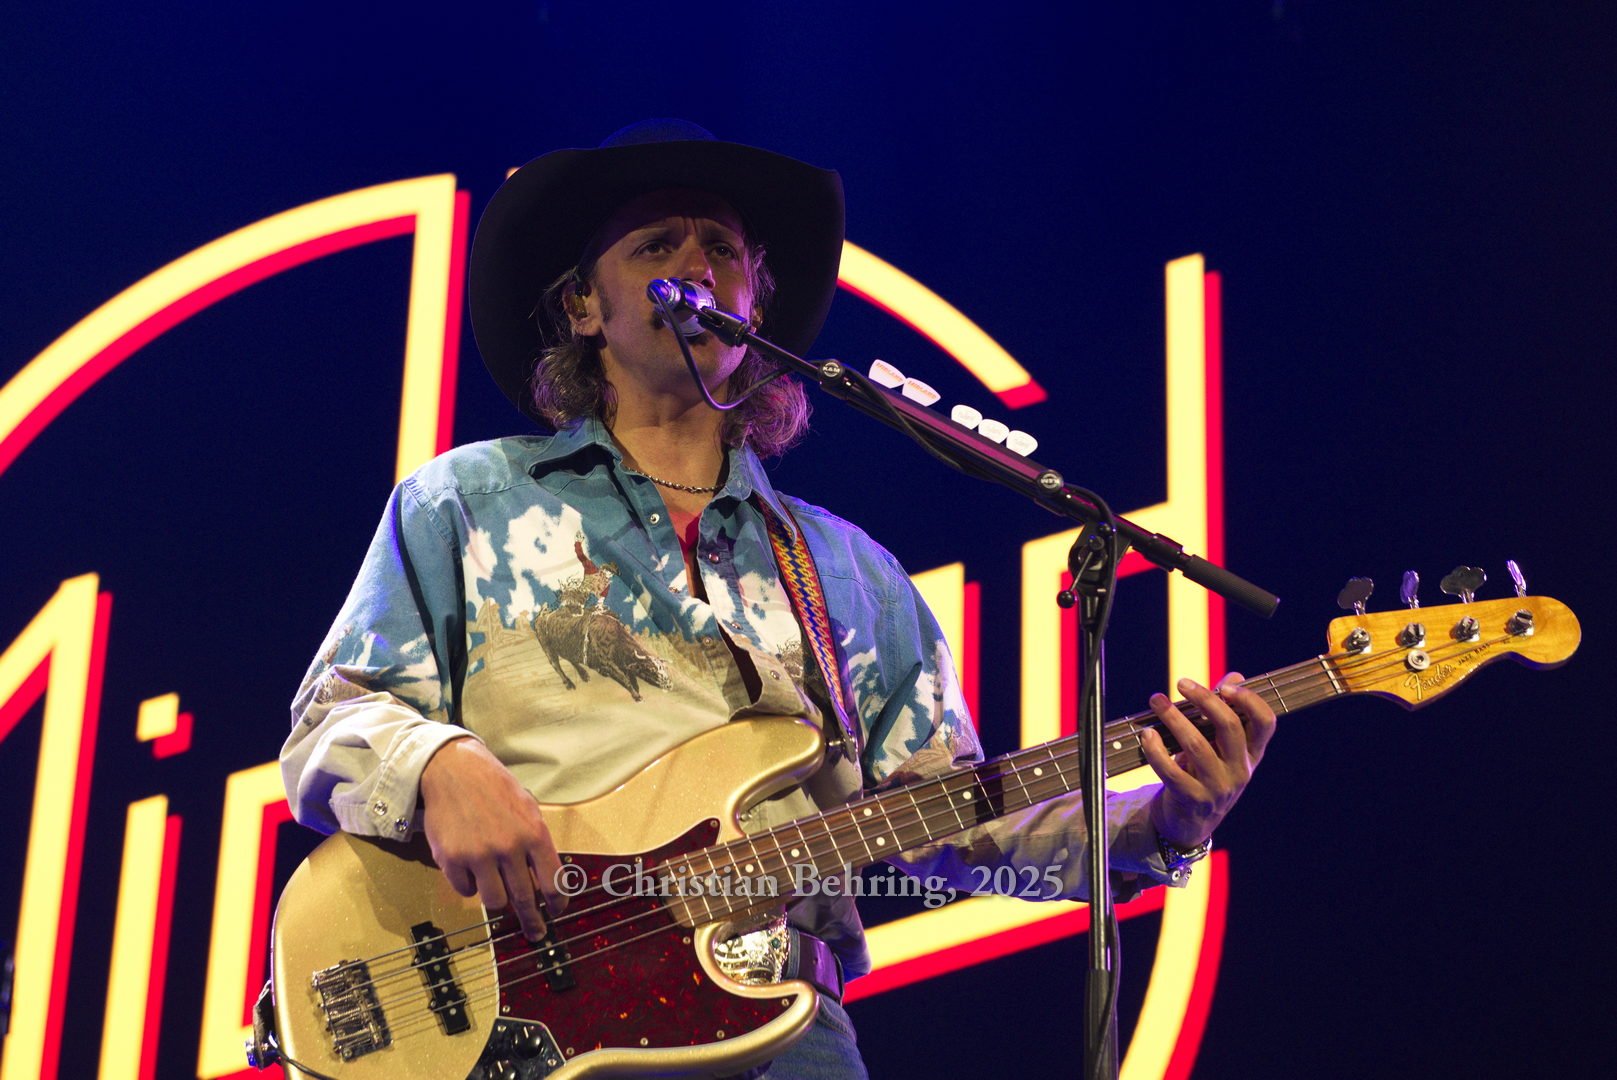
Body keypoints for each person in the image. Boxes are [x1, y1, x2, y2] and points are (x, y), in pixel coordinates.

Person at [281, 119, 1275, 1078]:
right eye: (657, 245)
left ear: (753, 304)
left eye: (722, 248)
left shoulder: (849, 572)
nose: (696, 265)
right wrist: (440, 762)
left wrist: (1165, 821)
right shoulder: (468, 500)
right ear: (583, 306)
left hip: (784, 1033)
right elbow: (329, 723)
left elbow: (959, 827)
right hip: (528, 1017)